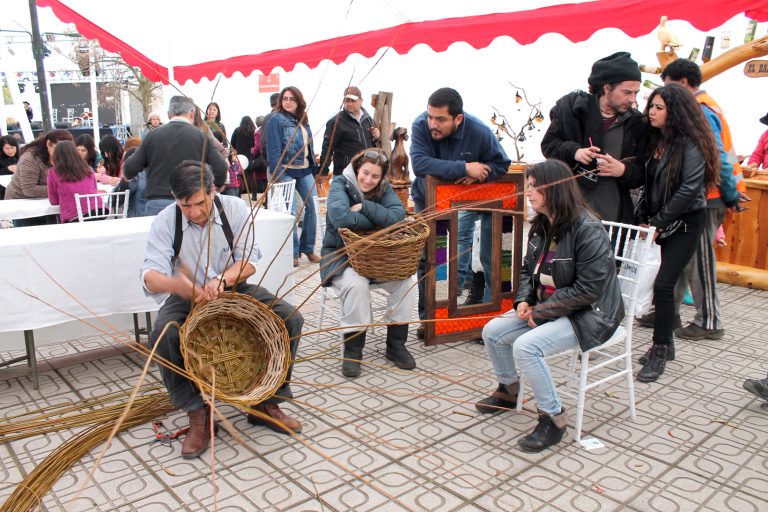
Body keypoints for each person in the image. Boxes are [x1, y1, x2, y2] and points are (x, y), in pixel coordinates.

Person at [141, 161, 303, 459]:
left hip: (231, 287)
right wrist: (180, 286)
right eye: (185, 205)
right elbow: (151, 277)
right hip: (186, 296)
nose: (194, 212)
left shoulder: (234, 210)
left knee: (289, 317)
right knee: (163, 333)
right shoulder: (166, 221)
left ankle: (265, 403)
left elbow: (249, 261)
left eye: (200, 203)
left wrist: (222, 280)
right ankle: (197, 413)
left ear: (213, 191)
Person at [476, 160, 624, 452]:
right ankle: (508, 390)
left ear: (555, 190)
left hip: (592, 314)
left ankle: (553, 418)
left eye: (534, 187)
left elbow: (589, 289)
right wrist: (524, 300)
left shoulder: (587, 229)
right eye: (528, 186)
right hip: (550, 306)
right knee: (492, 331)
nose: (528, 193)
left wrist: (542, 313)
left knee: (526, 347)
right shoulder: (543, 225)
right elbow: (525, 270)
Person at [605, 84, 719, 382]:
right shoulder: (656, 140)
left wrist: (657, 222)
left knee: (665, 285)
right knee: (658, 283)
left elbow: (688, 190)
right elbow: (648, 184)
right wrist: (646, 218)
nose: (650, 112)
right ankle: (665, 344)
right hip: (659, 221)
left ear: (675, 112)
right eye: (650, 106)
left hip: (685, 223)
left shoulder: (691, 143)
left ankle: (660, 348)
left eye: (658, 107)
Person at [636, 59, 744, 342]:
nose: (660, 100)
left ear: (682, 83)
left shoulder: (700, 109)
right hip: (708, 194)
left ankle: (709, 320)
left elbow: (718, 155)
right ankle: (667, 313)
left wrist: (731, 194)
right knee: (682, 259)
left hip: (708, 197)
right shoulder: (704, 105)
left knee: (700, 260)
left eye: (668, 86)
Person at [410, 87, 511, 332]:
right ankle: (432, 319)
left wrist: (480, 177)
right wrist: (465, 168)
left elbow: (502, 164)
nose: (432, 123)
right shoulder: (420, 125)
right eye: (430, 116)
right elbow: (420, 163)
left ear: (458, 118)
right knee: (434, 259)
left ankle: (489, 319)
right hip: (431, 201)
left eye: (440, 119)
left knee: (495, 254)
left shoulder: (479, 131)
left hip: (470, 200)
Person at [320, 148, 417, 377]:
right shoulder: (340, 184)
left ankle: (396, 345)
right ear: (357, 168)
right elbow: (340, 217)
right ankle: (353, 350)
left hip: (376, 258)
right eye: (365, 173)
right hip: (341, 256)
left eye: (375, 176)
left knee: (406, 281)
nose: (368, 180)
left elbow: (397, 217)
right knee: (357, 285)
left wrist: (365, 206)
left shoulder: (383, 188)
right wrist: (376, 221)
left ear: (381, 177)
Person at [541, 51, 647, 224]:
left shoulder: (636, 123)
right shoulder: (574, 111)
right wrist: (575, 152)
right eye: (627, 92)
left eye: (636, 93)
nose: (632, 99)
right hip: (569, 210)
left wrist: (623, 170)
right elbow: (549, 146)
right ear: (607, 87)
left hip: (613, 215)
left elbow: (645, 169)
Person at [123, 95, 228, 216]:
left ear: (168, 114)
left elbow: (129, 169)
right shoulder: (200, 137)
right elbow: (221, 167)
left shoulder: (152, 136)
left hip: (158, 202)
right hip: (191, 202)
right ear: (192, 114)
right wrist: (218, 186)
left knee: (160, 235)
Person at [266, 86, 319, 267]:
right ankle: (293, 252)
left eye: (291, 99)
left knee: (313, 208)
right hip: (285, 170)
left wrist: (315, 167)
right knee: (290, 212)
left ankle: (308, 248)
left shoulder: (303, 119)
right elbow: (273, 149)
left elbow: (308, 145)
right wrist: (277, 173)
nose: (287, 102)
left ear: (298, 101)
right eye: (285, 98)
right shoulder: (276, 120)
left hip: (305, 169)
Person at [5, 129, 74, 226]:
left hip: (48, 202)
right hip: (22, 202)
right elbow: (29, 189)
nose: (62, 152)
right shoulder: (30, 159)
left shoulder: (63, 156)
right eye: (58, 148)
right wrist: (61, 189)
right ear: (49, 143)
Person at [318, 86, 380, 177]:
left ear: (361, 100)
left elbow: (374, 143)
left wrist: (376, 136)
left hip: (367, 172)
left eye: (353, 101)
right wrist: (323, 172)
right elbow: (327, 149)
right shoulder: (335, 122)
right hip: (345, 173)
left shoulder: (368, 119)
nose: (349, 104)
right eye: (347, 101)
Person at [47, 140, 101, 223]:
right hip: (98, 210)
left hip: (74, 216)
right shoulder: (88, 169)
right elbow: (94, 189)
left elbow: (54, 201)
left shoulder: (53, 172)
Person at [0, 135, 20, 200]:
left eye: (12, 147)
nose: (10, 151)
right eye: (7, 148)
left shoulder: (22, 156)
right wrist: (7, 169)